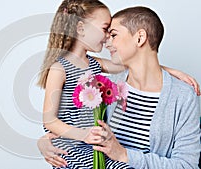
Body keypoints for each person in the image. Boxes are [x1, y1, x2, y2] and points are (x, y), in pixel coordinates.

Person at [37, 5, 201, 169]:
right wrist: (45, 141)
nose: (107, 41)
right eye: (105, 32)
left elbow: (187, 165)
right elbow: (64, 122)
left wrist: (123, 155)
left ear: (140, 38)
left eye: (113, 34)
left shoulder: (182, 96)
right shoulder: (105, 87)